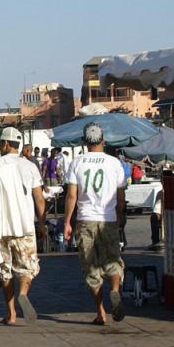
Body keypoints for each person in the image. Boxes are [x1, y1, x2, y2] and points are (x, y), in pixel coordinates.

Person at [63, 122, 128, 325]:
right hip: (108, 219)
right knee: (113, 261)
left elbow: (72, 196)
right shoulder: (114, 163)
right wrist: (118, 217)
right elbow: (120, 197)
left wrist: (67, 222)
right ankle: (115, 290)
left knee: (91, 268)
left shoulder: (77, 163)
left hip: (85, 220)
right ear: (103, 141)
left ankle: (101, 313)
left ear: (85, 142)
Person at [0, 127, 46, 325]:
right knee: (27, 268)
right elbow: (39, 198)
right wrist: (41, 223)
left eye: (1, 143)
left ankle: (11, 314)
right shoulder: (30, 166)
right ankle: (23, 293)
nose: (0, 147)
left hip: (0, 228)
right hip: (25, 225)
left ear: (6, 144)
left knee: (4, 271)